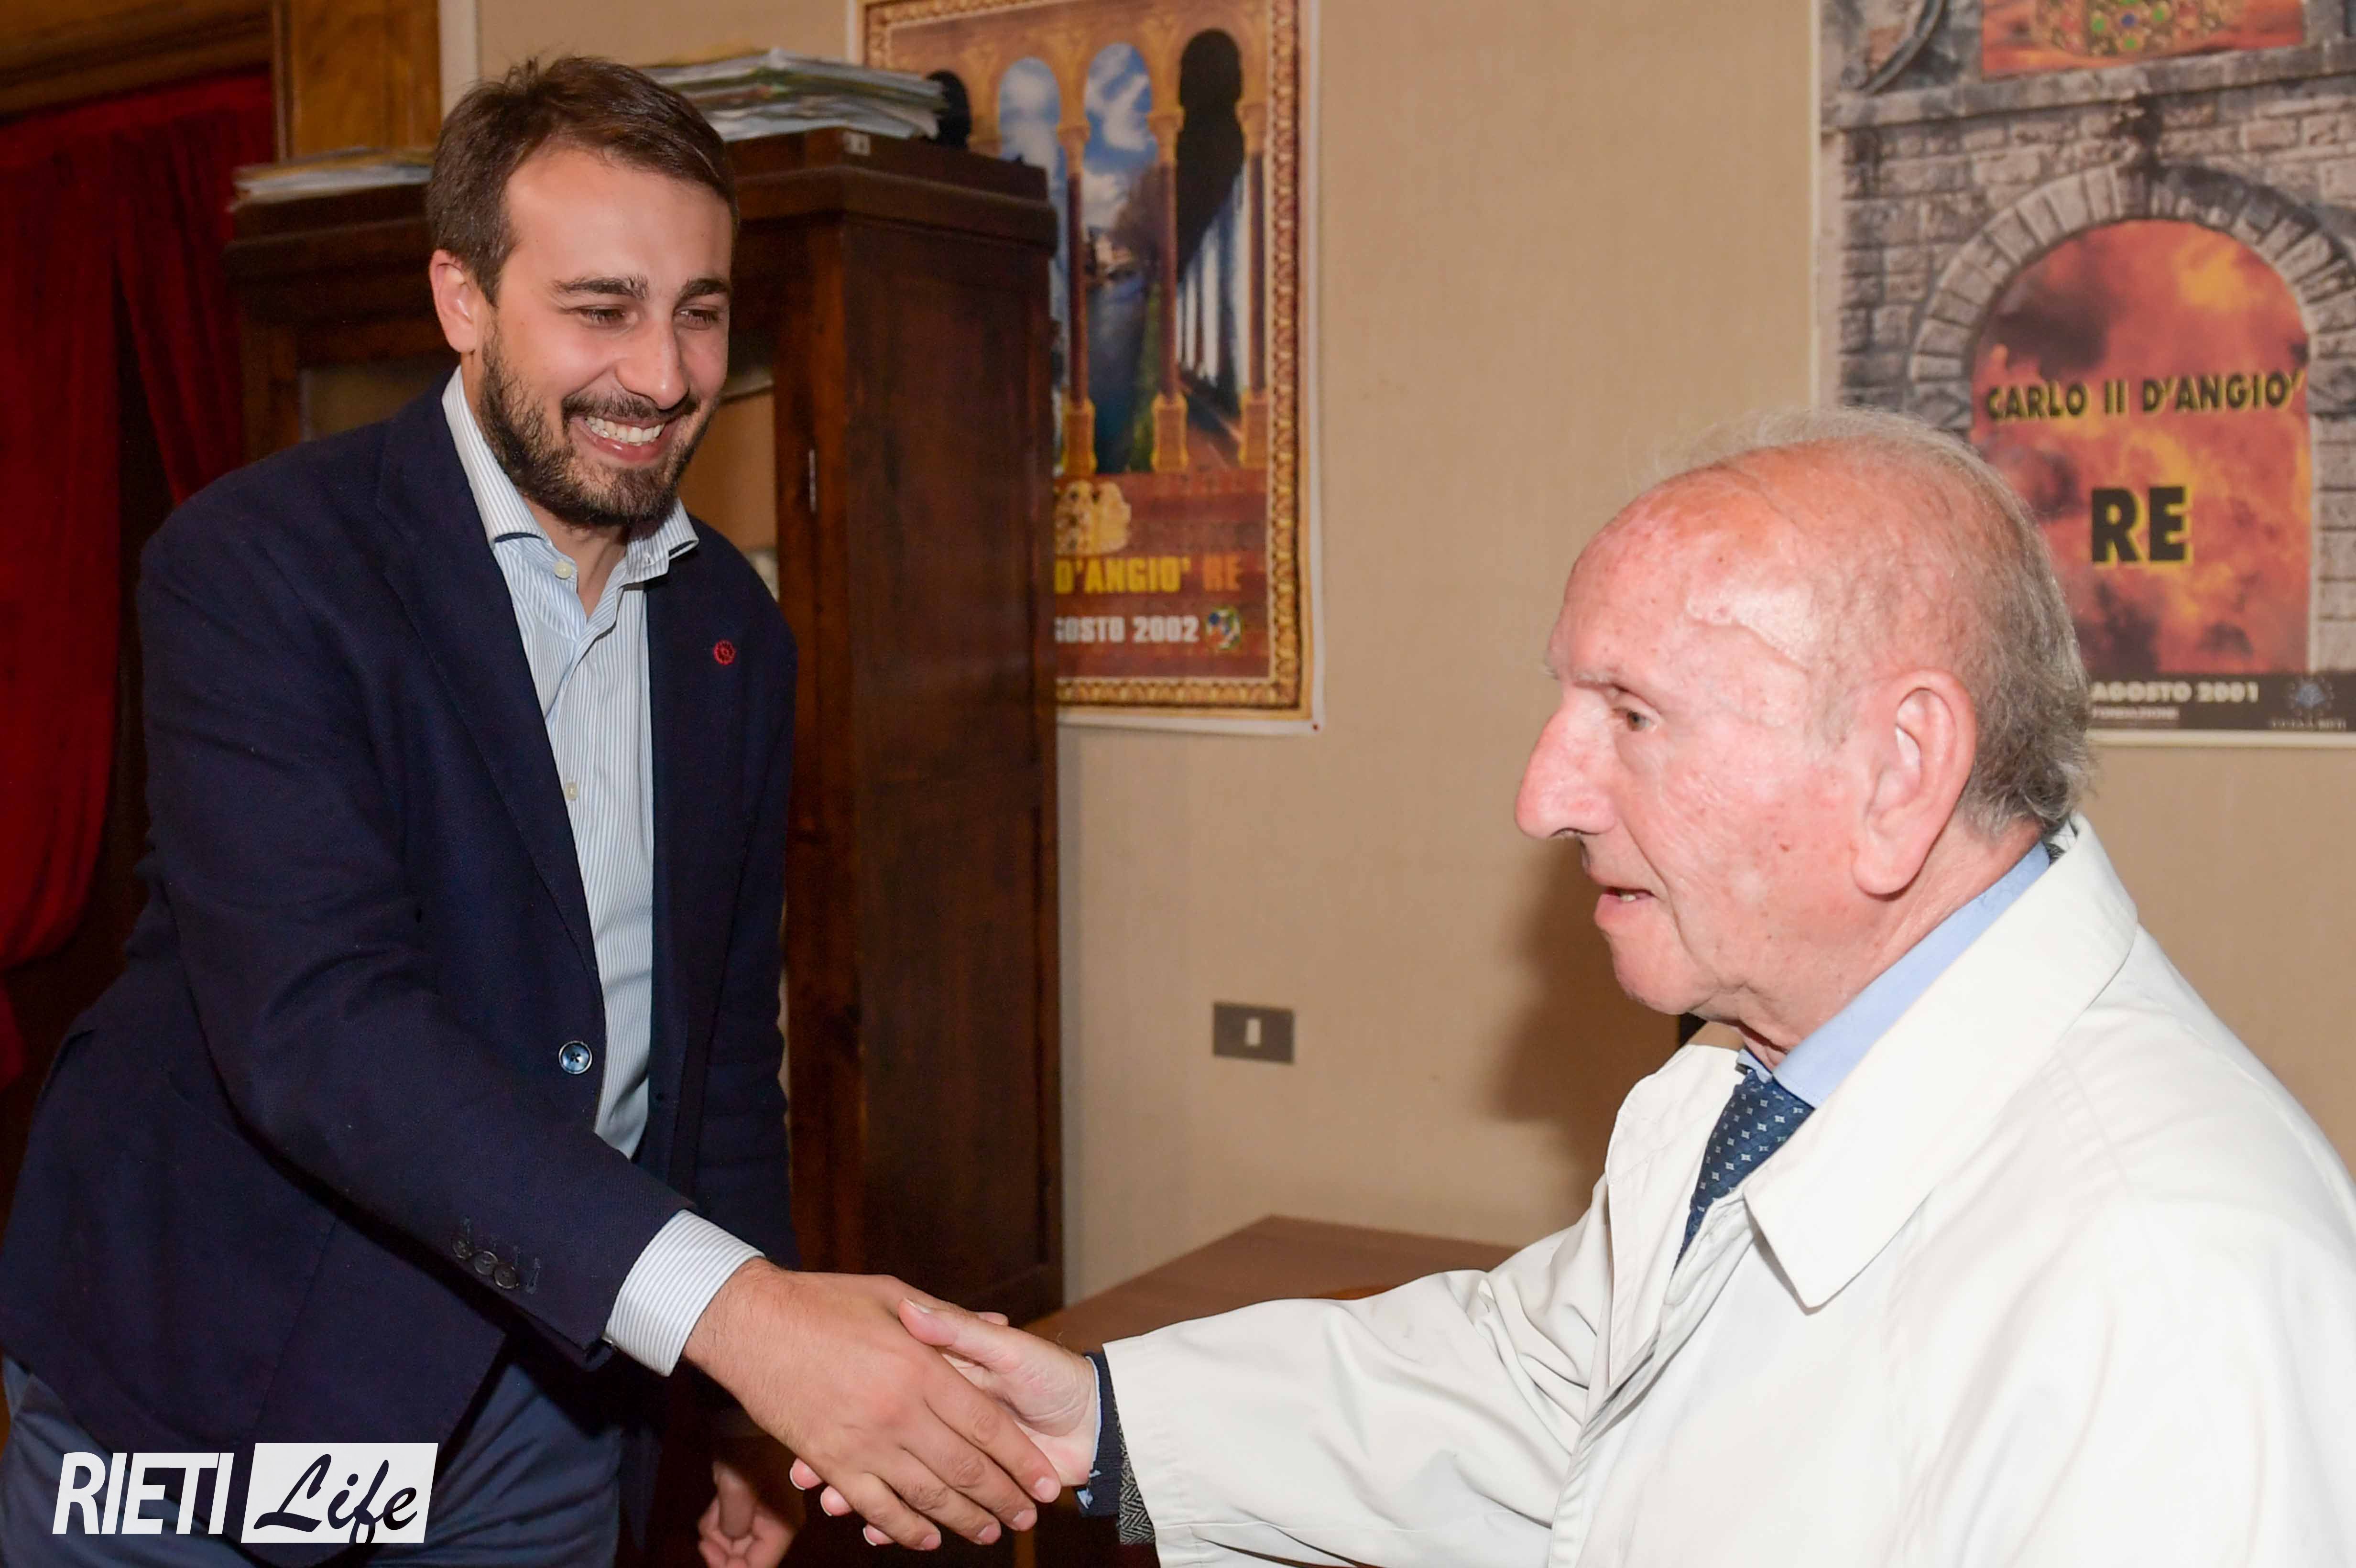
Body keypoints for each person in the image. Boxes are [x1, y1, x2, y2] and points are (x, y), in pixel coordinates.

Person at [808, 408, 2356, 1563]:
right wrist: (1096, 1419)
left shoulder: (2174, 1287)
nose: (1543, 795)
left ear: (1901, 768)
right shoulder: (1767, 1073)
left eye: (1632, 714)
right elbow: (1544, 1389)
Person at [0, 56, 1053, 1566]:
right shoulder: (257, 568)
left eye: (700, 311)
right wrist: (745, 1323)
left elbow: (712, 1061)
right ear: (464, 299)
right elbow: (323, 1028)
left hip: (555, 1396)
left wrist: (739, 1407)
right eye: (602, 308)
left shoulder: (734, 633)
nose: (666, 375)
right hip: (218, 1377)